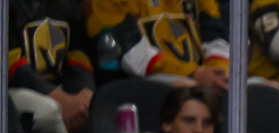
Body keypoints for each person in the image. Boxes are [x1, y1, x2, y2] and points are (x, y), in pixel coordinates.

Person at [7, 0, 93, 133]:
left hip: (57, 88)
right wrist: (59, 98)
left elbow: (79, 55)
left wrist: (85, 93)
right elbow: (11, 64)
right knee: (50, 113)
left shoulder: (69, 4)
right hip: (12, 90)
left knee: (93, 112)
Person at [85, 0, 230, 89]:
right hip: (142, 87)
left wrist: (218, 72)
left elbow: (217, 35)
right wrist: (193, 74)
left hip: (203, 82)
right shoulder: (104, 3)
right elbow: (132, 55)